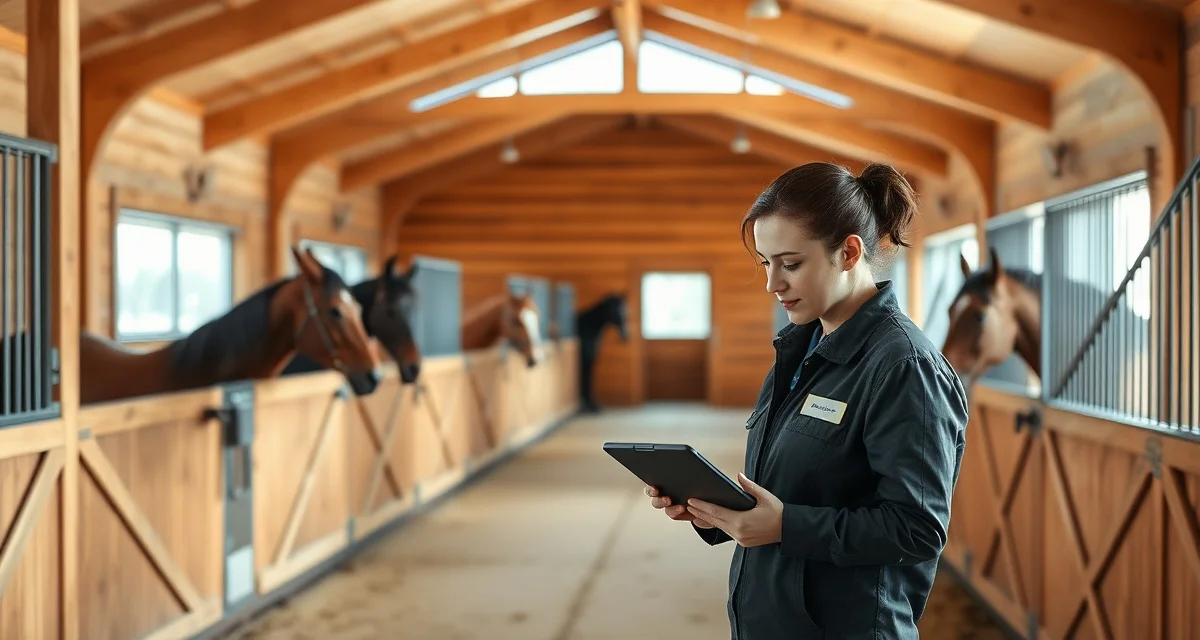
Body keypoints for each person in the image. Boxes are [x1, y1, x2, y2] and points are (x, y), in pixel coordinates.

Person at [645, 161, 969, 639]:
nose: (773, 283)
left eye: (791, 264)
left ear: (849, 252)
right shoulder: (800, 351)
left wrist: (787, 527)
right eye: (766, 263)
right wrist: (715, 512)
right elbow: (793, 489)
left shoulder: (903, 366)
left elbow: (916, 529)